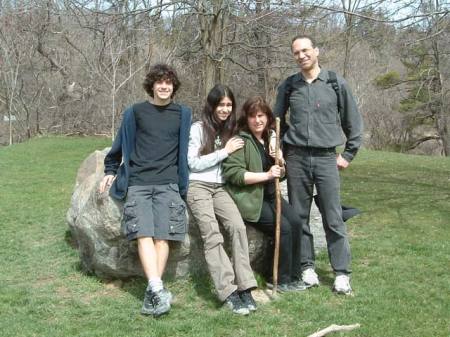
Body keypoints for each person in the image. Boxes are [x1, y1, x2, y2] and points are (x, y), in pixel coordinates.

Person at [273, 35, 363, 295]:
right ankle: (307, 267)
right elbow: (276, 122)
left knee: (333, 217)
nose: (301, 56)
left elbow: (353, 124)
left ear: (316, 51)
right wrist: (278, 147)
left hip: (326, 158)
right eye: (296, 52)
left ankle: (342, 273)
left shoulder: (335, 83)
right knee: (300, 217)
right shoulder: (289, 86)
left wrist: (347, 155)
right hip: (296, 159)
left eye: (305, 50)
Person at [98, 63, 192, 316]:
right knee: (143, 234)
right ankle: (157, 289)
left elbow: (190, 149)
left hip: (169, 183)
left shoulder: (183, 114)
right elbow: (118, 147)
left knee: (163, 236)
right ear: (151, 85)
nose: (164, 86)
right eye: (159, 82)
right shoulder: (135, 112)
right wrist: (109, 171)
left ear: (174, 87)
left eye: (169, 83)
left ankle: (154, 291)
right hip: (138, 182)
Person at [222, 96, 308, 292]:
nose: (257, 120)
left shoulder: (270, 138)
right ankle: (278, 278)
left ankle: (295, 275)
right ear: (246, 118)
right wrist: (267, 174)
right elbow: (234, 174)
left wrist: (280, 162)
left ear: (268, 117)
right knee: (283, 227)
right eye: (252, 116)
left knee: (296, 222)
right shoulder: (240, 141)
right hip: (251, 199)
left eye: (261, 116)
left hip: (270, 195)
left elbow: (280, 175)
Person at [187, 84, 257, 315]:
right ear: (212, 105)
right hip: (197, 186)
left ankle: (245, 285)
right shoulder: (198, 129)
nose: (225, 109)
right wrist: (224, 152)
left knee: (237, 227)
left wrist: (275, 140)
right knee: (212, 235)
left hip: (220, 188)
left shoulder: (231, 129)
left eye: (229, 105)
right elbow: (193, 163)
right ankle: (228, 290)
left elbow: (260, 126)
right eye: (221, 104)